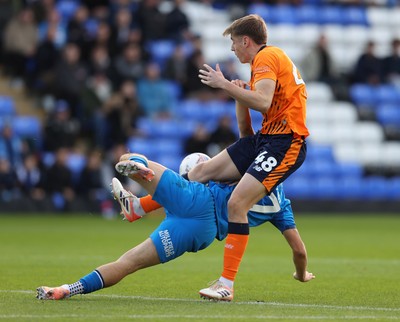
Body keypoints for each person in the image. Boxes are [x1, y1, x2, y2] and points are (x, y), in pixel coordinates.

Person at [36, 152, 314, 301]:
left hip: (197, 203)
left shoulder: (248, 169)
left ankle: (138, 198)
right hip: (201, 234)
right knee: (129, 263)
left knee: (129, 158)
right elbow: (299, 251)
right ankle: (65, 290)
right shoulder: (283, 207)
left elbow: (244, 136)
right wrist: (301, 274)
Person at [186, 14, 309, 300]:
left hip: (285, 142)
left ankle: (226, 285)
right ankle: (139, 206)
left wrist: (224, 84)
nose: (232, 49)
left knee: (237, 202)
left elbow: (264, 101)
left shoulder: (266, 57)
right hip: (266, 138)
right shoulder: (263, 64)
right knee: (201, 171)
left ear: (245, 41)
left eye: (233, 43)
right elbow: (246, 129)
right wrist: (238, 94)